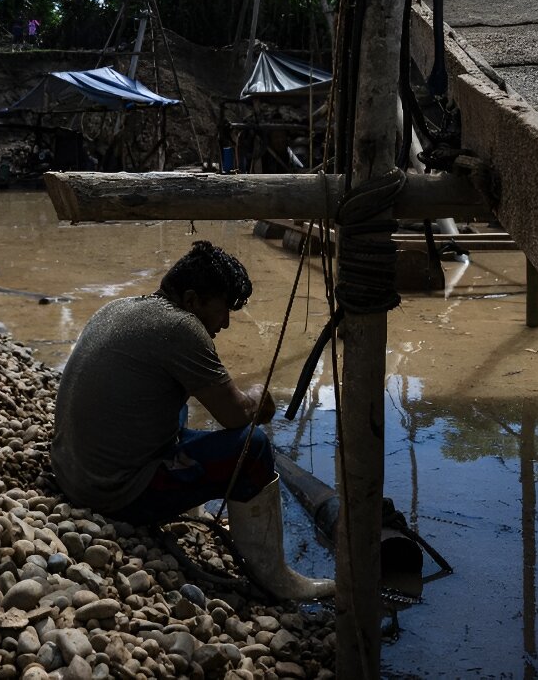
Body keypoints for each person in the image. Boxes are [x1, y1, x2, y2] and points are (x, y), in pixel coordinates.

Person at [51, 241, 333, 600]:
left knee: (173, 394)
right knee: (253, 447)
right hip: (111, 492)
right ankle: (276, 578)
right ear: (191, 300)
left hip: (69, 470)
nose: (226, 323)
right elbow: (234, 417)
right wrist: (258, 399)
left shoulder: (118, 306)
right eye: (223, 311)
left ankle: (195, 506)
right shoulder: (181, 327)